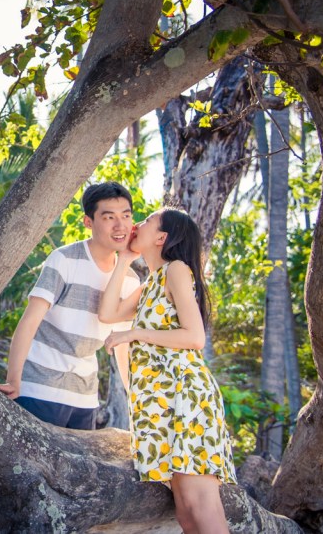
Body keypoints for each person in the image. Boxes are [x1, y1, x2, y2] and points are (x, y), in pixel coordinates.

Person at [99, 207, 236, 534]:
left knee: (200, 504)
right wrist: (123, 260)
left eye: (145, 221)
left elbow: (195, 337)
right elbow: (108, 314)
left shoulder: (176, 270)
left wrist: (134, 333)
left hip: (185, 398)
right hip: (161, 405)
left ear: (162, 237)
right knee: (187, 512)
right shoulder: (152, 281)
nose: (136, 225)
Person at [0, 181, 141, 429]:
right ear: (88, 222)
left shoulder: (130, 280)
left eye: (126, 216)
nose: (120, 225)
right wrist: (14, 381)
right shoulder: (65, 259)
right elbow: (30, 321)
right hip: (39, 387)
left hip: (85, 398)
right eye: (109, 217)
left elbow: (123, 348)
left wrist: (133, 400)